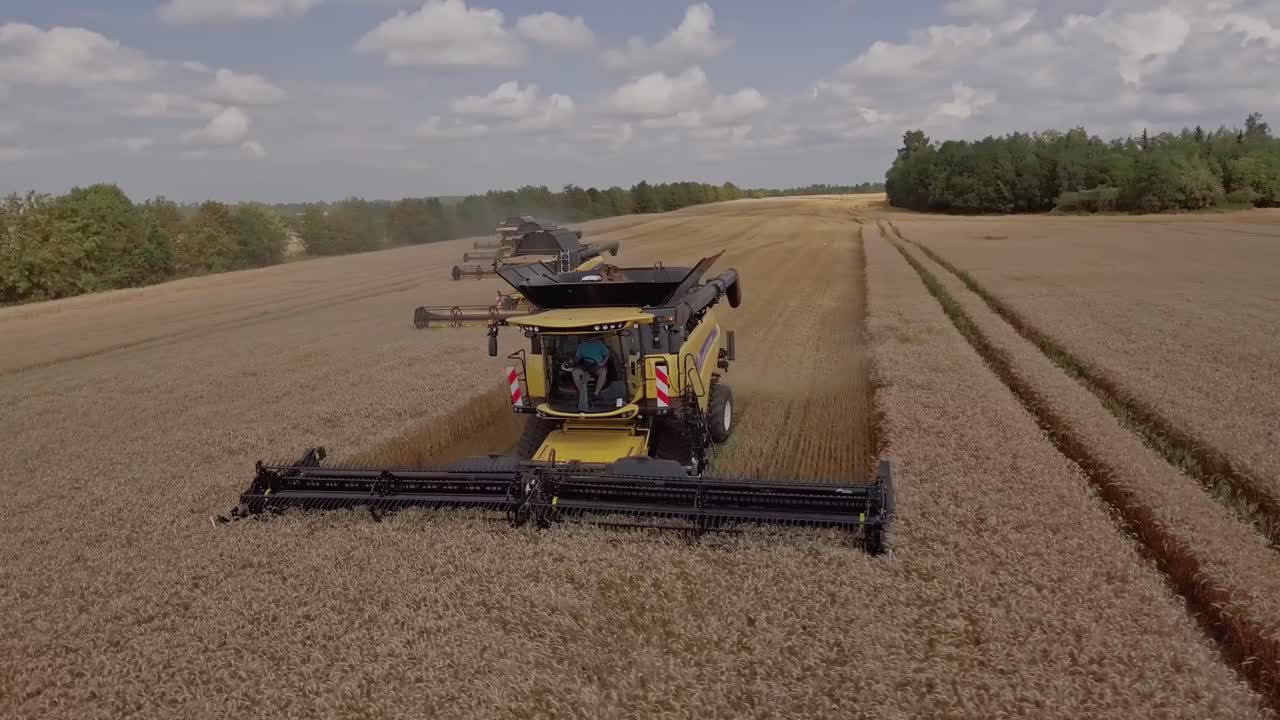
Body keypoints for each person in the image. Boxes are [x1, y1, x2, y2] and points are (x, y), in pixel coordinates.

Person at [562, 337, 610, 412]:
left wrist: (602, 363)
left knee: (603, 371)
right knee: (575, 372)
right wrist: (572, 361)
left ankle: (596, 393)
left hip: (596, 365)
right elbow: (577, 357)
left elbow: (607, 354)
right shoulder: (582, 345)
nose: (588, 337)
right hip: (585, 365)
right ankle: (582, 392)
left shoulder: (599, 344)